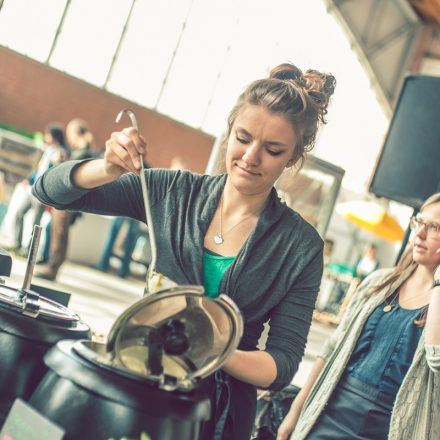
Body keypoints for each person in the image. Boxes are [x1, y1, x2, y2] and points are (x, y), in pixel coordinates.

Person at [33, 63, 336, 439]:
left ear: (292, 157)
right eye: (242, 138)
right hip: (136, 387)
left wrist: (207, 347)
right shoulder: (173, 193)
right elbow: (48, 189)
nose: (250, 157)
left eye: (273, 150)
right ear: (228, 131)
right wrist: (107, 167)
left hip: (217, 415)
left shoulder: (300, 246)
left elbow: (283, 364)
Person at [277, 194, 440, 440]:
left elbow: (437, 361)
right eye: (419, 222)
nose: (420, 234)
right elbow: (331, 350)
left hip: (391, 431)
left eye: (435, 227)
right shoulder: (379, 282)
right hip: (327, 417)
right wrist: (296, 411)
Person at [36, 118, 94, 280]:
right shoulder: (80, 149)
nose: (69, 138)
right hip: (66, 200)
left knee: (60, 234)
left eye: (70, 134)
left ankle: (52, 268)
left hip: (69, 201)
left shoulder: (84, 151)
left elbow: (74, 172)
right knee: (58, 233)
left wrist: (60, 162)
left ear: (76, 133)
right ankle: (52, 266)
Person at [11, 122, 67, 256]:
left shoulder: (61, 153)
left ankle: (29, 251)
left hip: (42, 193)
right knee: (19, 214)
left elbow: (56, 172)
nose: (46, 137)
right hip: (32, 190)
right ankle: (17, 244)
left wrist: (57, 161)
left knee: (35, 223)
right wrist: (29, 179)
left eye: (48, 134)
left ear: (54, 136)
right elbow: (39, 169)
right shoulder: (48, 150)